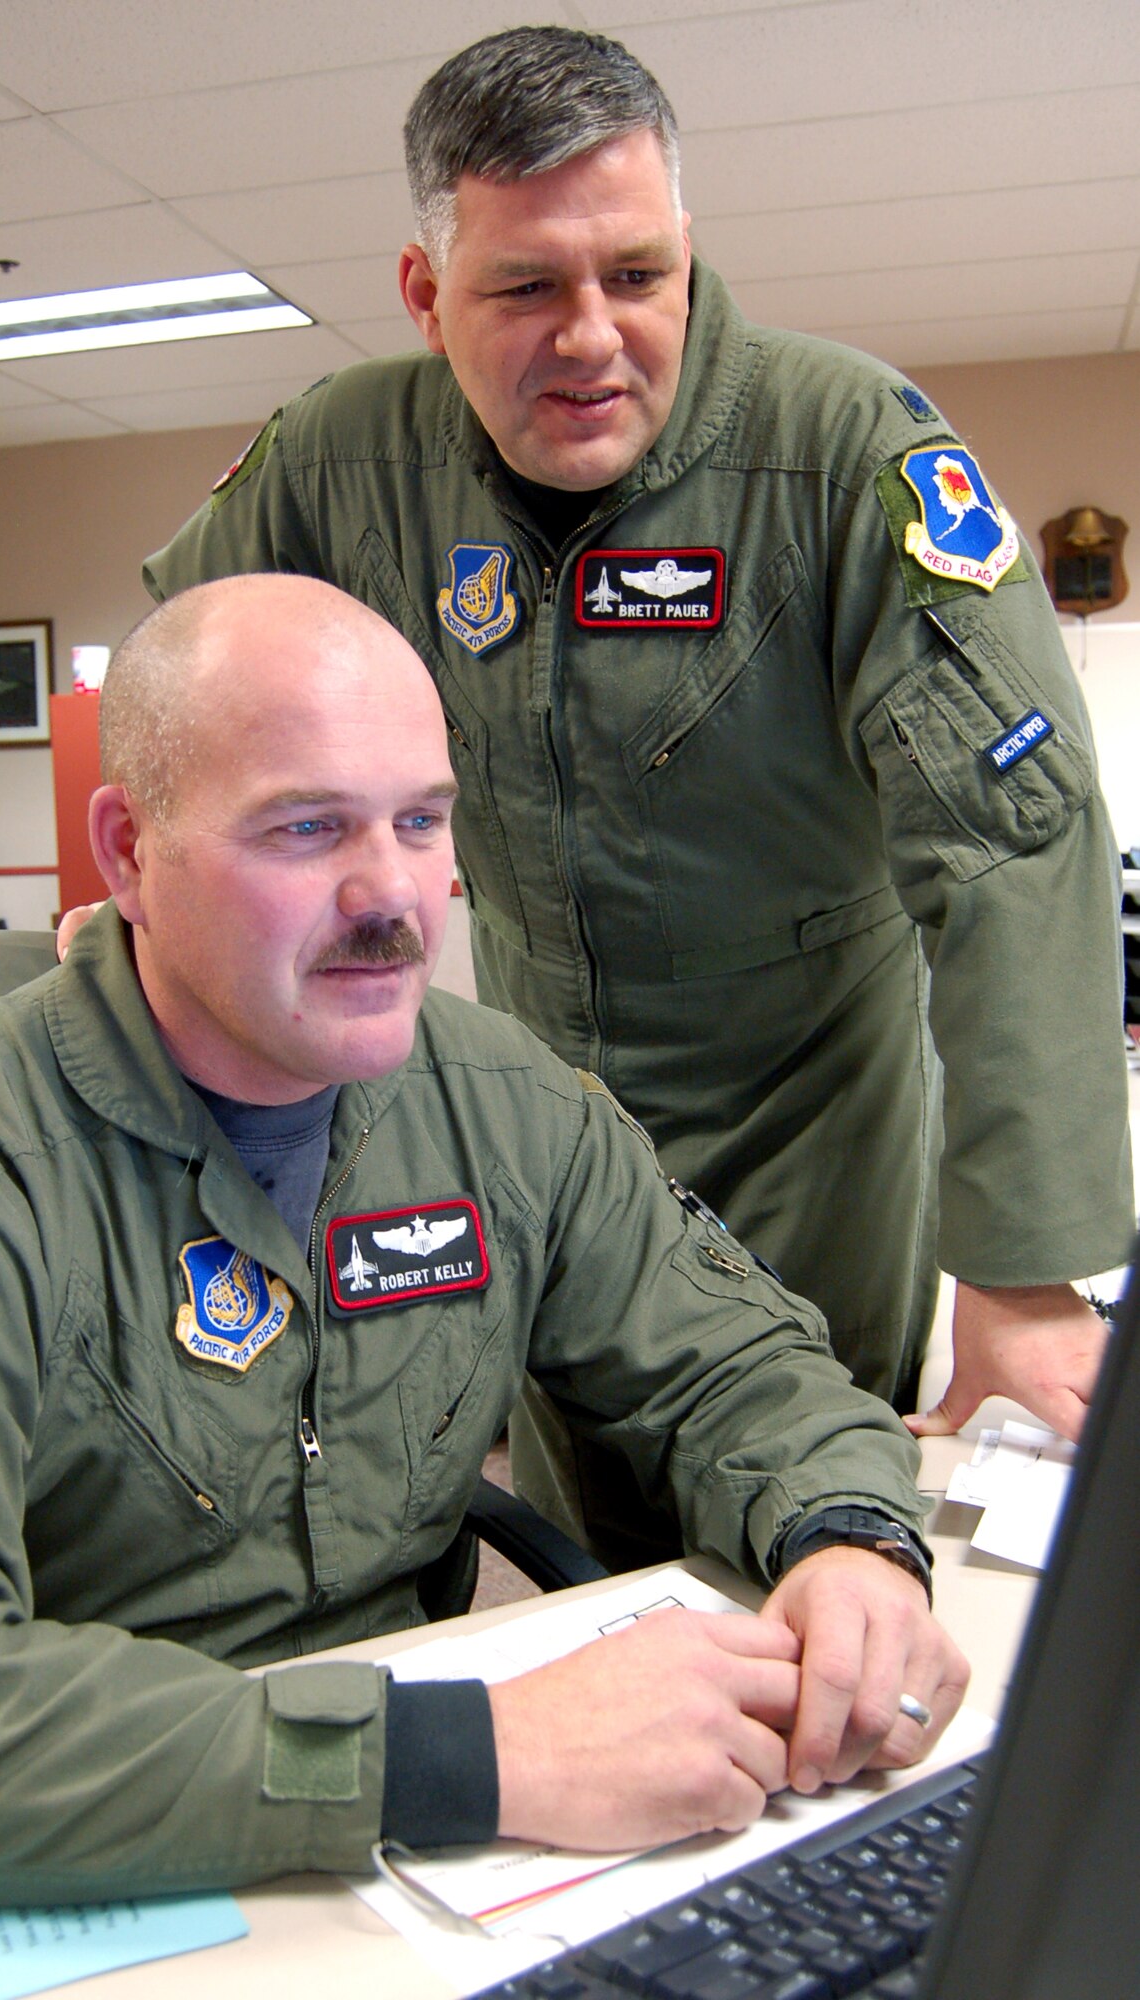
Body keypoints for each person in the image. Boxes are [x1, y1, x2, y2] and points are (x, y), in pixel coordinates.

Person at [0, 576, 967, 1905]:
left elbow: (736, 1364)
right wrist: (460, 1758)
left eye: (421, 821)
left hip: (439, 1862)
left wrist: (852, 1544)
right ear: (129, 851)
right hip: (104, 1834)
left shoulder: (500, 1103)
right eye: (307, 828)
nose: (392, 896)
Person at [143, 27, 1133, 1562]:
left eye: (637, 274)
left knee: (802, 1507)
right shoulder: (341, 461)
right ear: (425, 294)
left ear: (688, 253)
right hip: (524, 1086)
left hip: (808, 1090)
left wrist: (1021, 1273)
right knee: (584, 1505)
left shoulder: (842, 452)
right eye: (525, 287)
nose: (592, 336)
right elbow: (175, 707)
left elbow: (1010, 845)